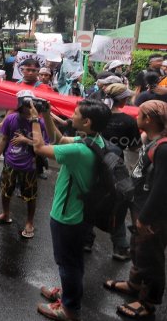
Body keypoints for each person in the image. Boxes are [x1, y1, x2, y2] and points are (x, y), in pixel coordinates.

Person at [33, 99, 112, 321]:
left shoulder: (79, 150)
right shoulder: (94, 141)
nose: (72, 115)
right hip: (82, 213)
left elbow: (39, 148)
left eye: (76, 113)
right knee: (74, 260)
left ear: (86, 121)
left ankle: (68, 309)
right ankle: (68, 295)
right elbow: (59, 139)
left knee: (68, 263)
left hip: (67, 216)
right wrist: (46, 115)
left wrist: (33, 119)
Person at [103, 100, 167, 319]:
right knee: (138, 248)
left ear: (148, 119)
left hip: (153, 213)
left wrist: (146, 217)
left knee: (152, 256)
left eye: (139, 114)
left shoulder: (164, 148)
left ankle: (148, 302)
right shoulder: (152, 140)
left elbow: (162, 188)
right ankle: (134, 284)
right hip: (141, 203)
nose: (136, 116)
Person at [84, 83, 140, 260]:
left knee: (90, 203)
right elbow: (134, 146)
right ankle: (120, 248)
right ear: (123, 100)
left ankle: (86, 241)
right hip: (115, 169)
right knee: (117, 208)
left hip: (92, 165)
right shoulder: (128, 121)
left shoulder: (98, 114)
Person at [0, 90, 49, 239]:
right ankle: (5, 214)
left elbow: (44, 145)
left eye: (30, 104)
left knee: (30, 195)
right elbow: (4, 139)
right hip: (10, 162)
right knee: (5, 190)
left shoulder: (39, 122)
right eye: (25, 104)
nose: (28, 107)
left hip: (29, 166)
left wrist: (25, 140)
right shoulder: (11, 119)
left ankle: (29, 222)